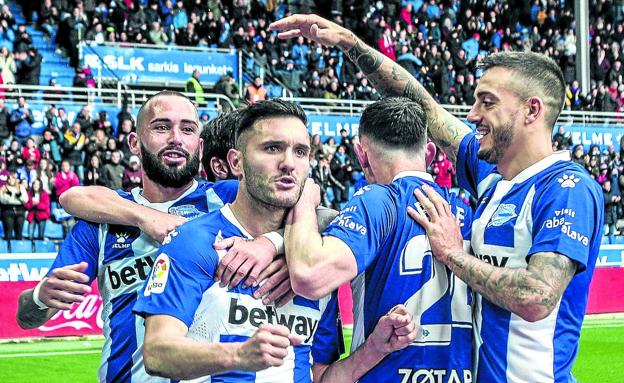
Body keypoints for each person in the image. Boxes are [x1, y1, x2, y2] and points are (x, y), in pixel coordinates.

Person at [269, 14, 604, 382]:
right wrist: (353, 45)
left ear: (532, 110)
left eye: (487, 103)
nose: (473, 114)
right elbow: (425, 107)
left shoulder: (567, 188)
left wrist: (454, 255)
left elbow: (536, 297)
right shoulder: (491, 179)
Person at [133, 99, 418, 382]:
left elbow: (321, 377)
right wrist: (238, 356)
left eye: (300, 152)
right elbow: (158, 353)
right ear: (236, 161)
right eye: (272, 148)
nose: (288, 163)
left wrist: (375, 349)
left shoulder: (311, 262)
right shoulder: (194, 241)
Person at [16, 91, 288, 383]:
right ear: (134, 142)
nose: (176, 138)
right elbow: (27, 316)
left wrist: (272, 242)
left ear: (200, 144)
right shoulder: (101, 223)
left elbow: (309, 200)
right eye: (161, 127)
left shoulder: (229, 199)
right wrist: (40, 297)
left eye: (187, 129)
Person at [280, 97, 473, 382]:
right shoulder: (469, 214)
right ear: (430, 153)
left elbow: (309, 274)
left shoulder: (379, 200)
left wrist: (305, 198)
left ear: (362, 155)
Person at [0, 171, 28, 240]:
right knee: (8, 233)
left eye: (12, 178)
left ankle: (18, 249)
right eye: (9, 179)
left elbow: (25, 199)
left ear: (15, 179)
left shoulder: (21, 187)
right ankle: (8, 249)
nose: (11, 180)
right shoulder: (4, 188)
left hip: (20, 211)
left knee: (19, 234)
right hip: (8, 211)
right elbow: (2, 200)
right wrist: (9, 196)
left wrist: (19, 196)